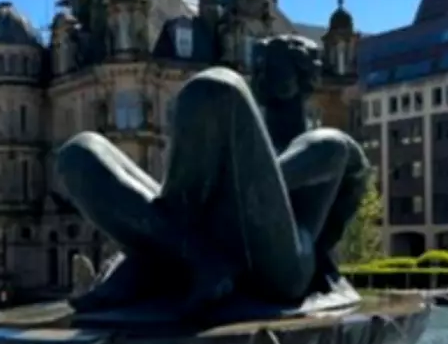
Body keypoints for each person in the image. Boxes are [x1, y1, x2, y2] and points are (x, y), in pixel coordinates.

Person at [54, 33, 370, 318]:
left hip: (282, 267)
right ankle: (197, 257)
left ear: (306, 76)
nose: (260, 73)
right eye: (257, 63)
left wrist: (153, 220)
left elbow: (262, 188)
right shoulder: (237, 138)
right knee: (79, 153)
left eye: (274, 65)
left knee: (216, 86)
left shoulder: (327, 143)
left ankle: (154, 259)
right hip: (207, 240)